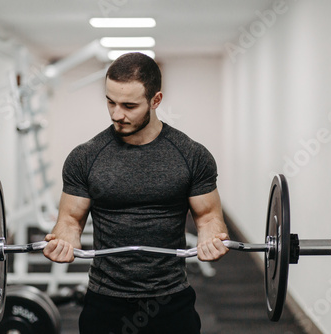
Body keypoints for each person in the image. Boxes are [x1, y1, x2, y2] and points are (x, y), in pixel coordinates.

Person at [43, 52, 230, 334]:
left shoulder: (192, 155)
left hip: (170, 297)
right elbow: (70, 220)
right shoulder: (85, 157)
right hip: (105, 299)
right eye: (110, 102)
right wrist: (64, 243)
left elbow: (208, 217)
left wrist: (211, 238)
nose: (117, 114)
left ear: (156, 100)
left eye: (129, 105)